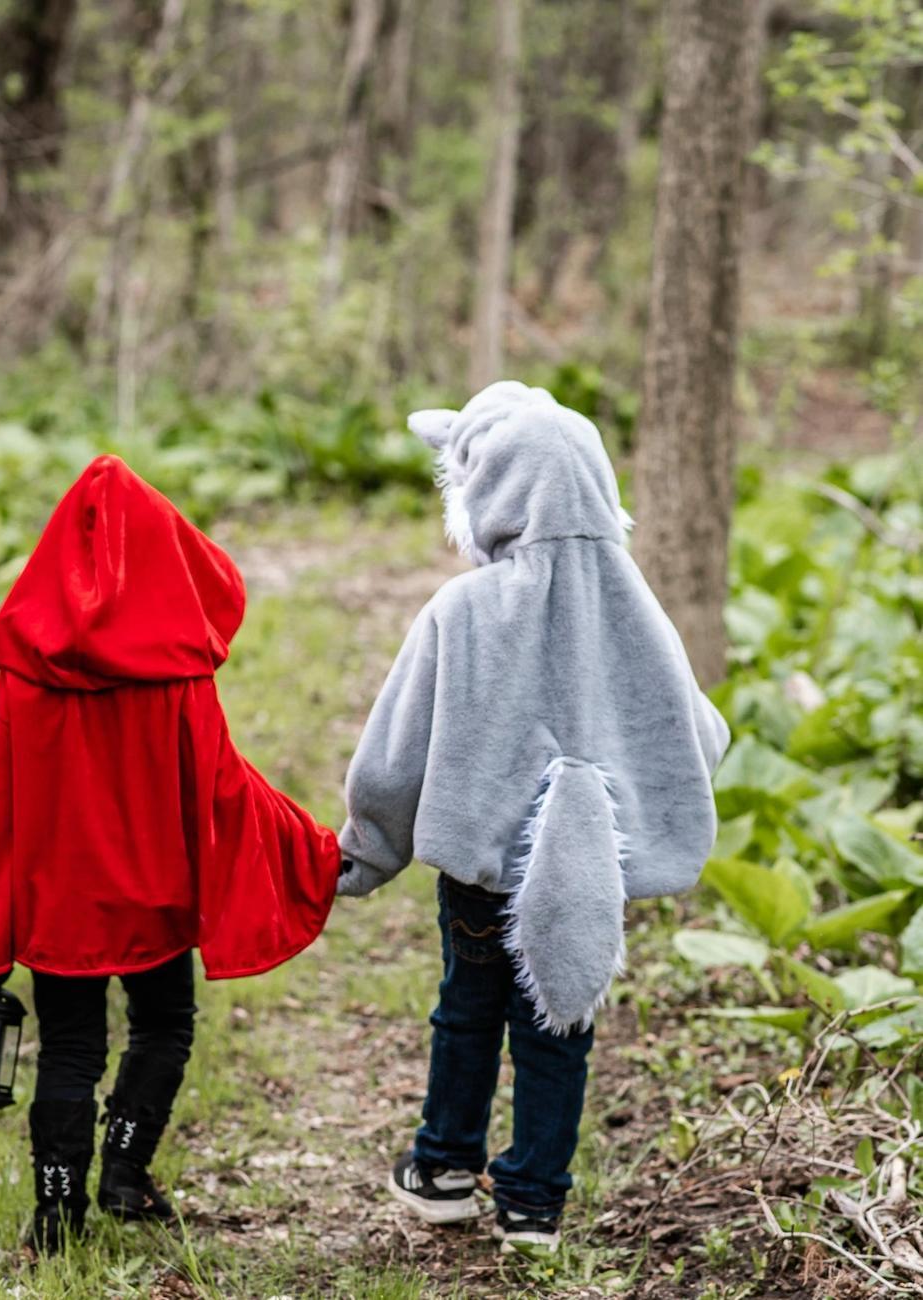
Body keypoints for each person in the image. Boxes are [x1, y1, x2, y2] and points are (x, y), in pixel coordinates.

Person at [335, 382, 729, 1253]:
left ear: (489, 495)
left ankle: (442, 1168)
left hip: (484, 866)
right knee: (561, 1026)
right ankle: (535, 1202)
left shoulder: (462, 611)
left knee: (467, 1009)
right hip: (591, 872)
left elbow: (397, 755)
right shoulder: (638, 612)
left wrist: (366, 851)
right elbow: (701, 732)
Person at [0, 455, 340, 1253]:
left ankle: (56, 1214)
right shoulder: (176, 676)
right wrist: (314, 846)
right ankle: (124, 1170)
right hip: (155, 897)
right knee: (163, 1027)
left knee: (72, 1049)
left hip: (61, 904)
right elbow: (223, 786)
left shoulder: (27, 677)